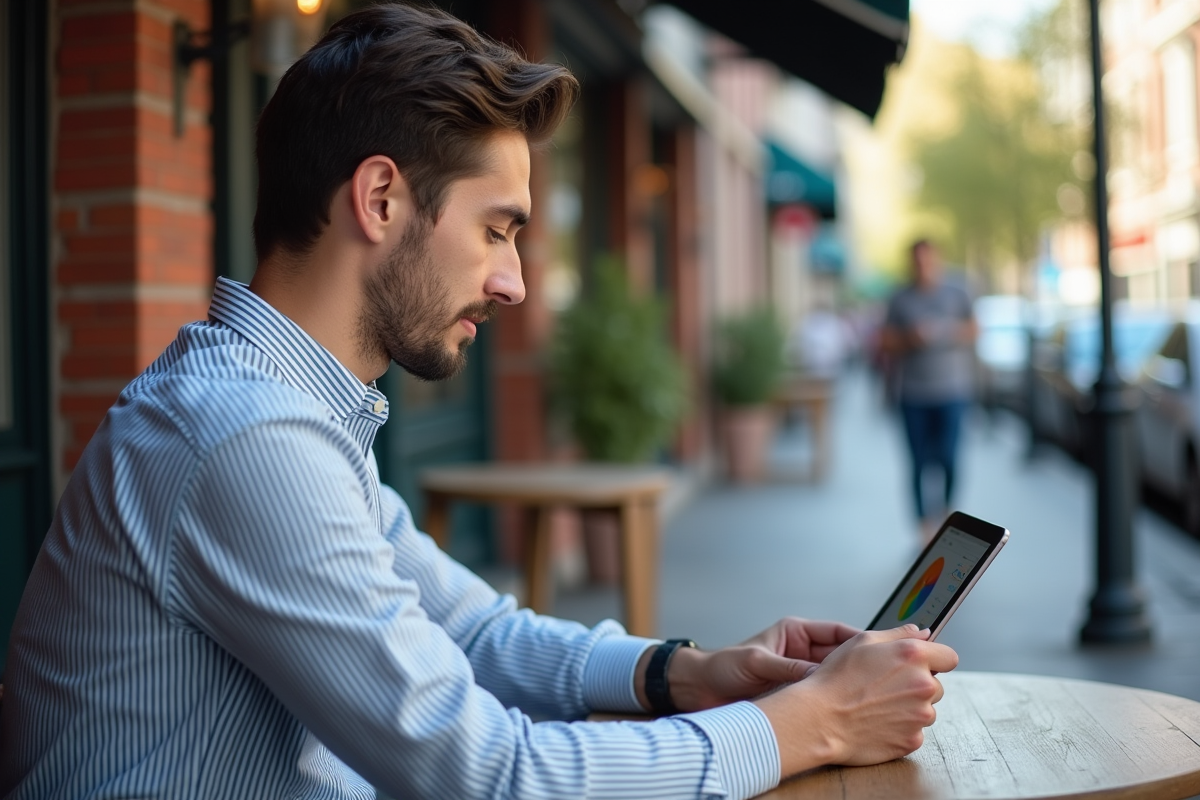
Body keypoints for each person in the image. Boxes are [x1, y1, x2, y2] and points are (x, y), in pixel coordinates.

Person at [0, 6, 957, 799]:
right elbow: (488, 775)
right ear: (380, 200)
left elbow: (474, 632)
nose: (515, 284)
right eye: (498, 230)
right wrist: (811, 723)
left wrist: (689, 673)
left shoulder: (286, 414)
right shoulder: (243, 437)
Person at [882, 240, 979, 542]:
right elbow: (885, 341)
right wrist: (911, 338)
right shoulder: (900, 298)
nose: (923, 267)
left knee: (950, 457)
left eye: (928, 261)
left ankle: (947, 513)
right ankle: (924, 528)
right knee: (917, 462)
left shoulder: (957, 291)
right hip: (913, 394)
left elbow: (975, 329)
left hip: (952, 390)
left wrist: (947, 330)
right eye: (917, 262)